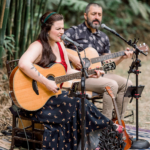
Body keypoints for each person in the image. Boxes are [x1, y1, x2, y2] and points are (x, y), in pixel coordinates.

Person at [18, 11, 124, 150]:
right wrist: (46, 81)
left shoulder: (61, 45)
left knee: (79, 102)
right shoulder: (38, 46)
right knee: (78, 103)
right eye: (58, 29)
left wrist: (87, 74)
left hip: (55, 97)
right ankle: (107, 129)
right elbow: (23, 64)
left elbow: (68, 72)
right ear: (47, 29)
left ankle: (95, 142)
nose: (62, 31)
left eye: (63, 28)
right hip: (38, 102)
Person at [64, 3, 133, 121]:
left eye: (99, 14)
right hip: (77, 77)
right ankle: (104, 128)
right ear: (85, 15)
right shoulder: (74, 31)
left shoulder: (103, 37)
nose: (97, 17)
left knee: (128, 84)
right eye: (93, 14)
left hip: (98, 75)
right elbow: (57, 47)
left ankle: (117, 123)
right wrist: (74, 58)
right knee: (112, 85)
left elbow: (107, 64)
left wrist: (121, 57)